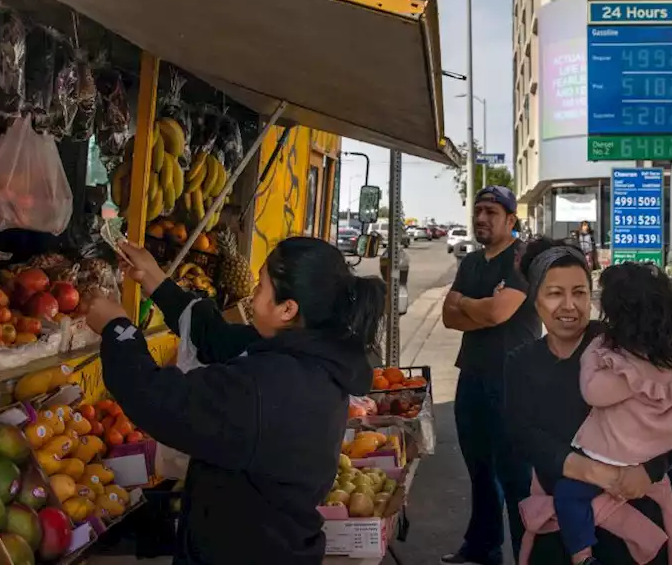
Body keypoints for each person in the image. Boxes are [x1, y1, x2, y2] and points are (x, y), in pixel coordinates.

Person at [83, 236, 383, 564]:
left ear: (287, 308)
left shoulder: (269, 385)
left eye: (261, 285)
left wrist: (118, 330)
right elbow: (218, 338)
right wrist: (154, 278)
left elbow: (157, 399)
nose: (252, 295)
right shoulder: (315, 358)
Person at [505, 239, 672, 565]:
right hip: (563, 524)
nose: (569, 305)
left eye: (579, 292)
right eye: (554, 294)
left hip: (635, 514)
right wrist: (592, 472)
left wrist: (649, 470)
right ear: (535, 300)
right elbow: (524, 437)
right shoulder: (521, 362)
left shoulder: (625, 346)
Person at [551, 262, 672, 565]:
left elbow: (594, 391)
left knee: (568, 494)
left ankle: (582, 555)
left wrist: (594, 353)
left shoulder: (620, 361)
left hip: (620, 456)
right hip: (665, 444)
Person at [441, 186, 542, 565]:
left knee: (517, 478)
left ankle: (527, 555)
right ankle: (483, 549)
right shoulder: (470, 263)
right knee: (480, 472)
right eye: (478, 211)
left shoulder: (521, 260)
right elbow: (449, 318)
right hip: (472, 377)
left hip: (514, 382)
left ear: (510, 220)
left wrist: (466, 303)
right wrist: (477, 307)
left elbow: (497, 314)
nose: (481, 219)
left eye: (491, 213)